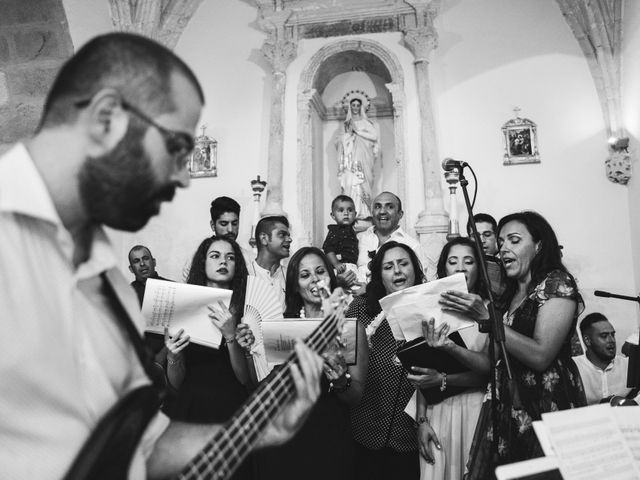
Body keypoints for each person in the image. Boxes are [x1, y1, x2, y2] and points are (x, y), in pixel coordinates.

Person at [0, 32, 324, 479]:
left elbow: (144, 445)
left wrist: (261, 430)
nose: (184, 178)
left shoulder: (110, 283)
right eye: (175, 147)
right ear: (107, 116)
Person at [438, 211, 586, 478]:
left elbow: (541, 354)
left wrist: (486, 318)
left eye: (514, 240)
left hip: (544, 404)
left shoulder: (556, 284)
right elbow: (488, 362)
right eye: (502, 241)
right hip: (506, 405)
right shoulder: (507, 295)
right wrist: (448, 346)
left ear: (539, 246)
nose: (504, 247)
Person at [259, 247, 368, 480]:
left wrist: (340, 381)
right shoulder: (283, 328)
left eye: (320, 271)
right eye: (305, 274)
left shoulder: (350, 328)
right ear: (295, 284)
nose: (315, 279)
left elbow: (356, 395)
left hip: (331, 430)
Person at [349, 241, 437, 480]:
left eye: (403, 264)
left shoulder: (431, 311)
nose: (397, 271)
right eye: (388, 266)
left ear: (415, 270)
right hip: (364, 428)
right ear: (379, 275)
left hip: (408, 434)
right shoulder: (360, 309)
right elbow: (344, 361)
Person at [409, 237, 489, 480]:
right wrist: (421, 420)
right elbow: (423, 370)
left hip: (476, 408)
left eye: (469, 261)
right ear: (445, 268)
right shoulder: (432, 309)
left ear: (479, 268)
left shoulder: (489, 311)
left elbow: (490, 373)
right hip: (438, 410)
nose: (460, 268)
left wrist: (443, 378)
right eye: (453, 262)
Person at [356, 191, 426, 282]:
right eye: (378, 206)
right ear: (372, 212)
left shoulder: (413, 246)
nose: (382, 211)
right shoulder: (359, 238)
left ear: (400, 214)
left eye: (389, 207)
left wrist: (369, 289)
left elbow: (419, 283)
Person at [573, 312, 635, 405]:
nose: (611, 340)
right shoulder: (574, 368)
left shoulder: (629, 366)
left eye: (613, 335)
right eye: (604, 336)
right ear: (587, 340)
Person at [337, 92, 379, 220]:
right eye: (353, 105)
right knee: (351, 181)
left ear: (361, 107)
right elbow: (341, 142)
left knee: (363, 182)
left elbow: (374, 136)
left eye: (357, 105)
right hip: (350, 157)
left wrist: (358, 132)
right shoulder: (346, 124)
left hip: (364, 156)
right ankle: (353, 209)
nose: (355, 107)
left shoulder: (366, 123)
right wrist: (347, 138)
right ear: (350, 107)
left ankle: (364, 211)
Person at [249, 215, 291, 311]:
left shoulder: (291, 275)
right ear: (264, 238)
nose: (289, 239)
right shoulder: (246, 273)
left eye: (289, 235)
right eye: (282, 235)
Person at [323, 194, 360, 289]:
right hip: (341, 267)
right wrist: (336, 263)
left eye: (350, 210)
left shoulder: (352, 231)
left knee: (354, 291)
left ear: (355, 214)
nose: (346, 213)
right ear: (333, 215)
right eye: (341, 210)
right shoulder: (335, 231)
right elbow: (328, 249)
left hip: (353, 267)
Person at [467, 213, 506, 296]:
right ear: (469, 238)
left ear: (496, 236)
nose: (481, 240)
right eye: (475, 236)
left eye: (487, 235)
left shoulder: (507, 260)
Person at [209, 196, 253, 265]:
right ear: (212, 225)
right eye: (224, 224)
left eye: (234, 224)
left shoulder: (249, 260)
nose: (230, 229)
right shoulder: (199, 257)